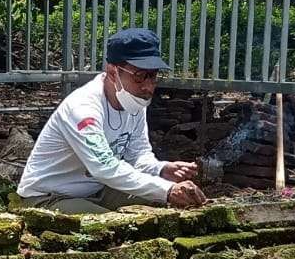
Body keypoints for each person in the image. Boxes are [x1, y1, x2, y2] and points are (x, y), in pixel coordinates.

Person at [17, 28, 205, 213]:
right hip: (48, 196)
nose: (148, 87)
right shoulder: (83, 109)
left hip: (100, 189)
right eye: (140, 76)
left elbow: (138, 156)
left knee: (164, 208)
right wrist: (167, 189)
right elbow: (105, 168)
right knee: (112, 227)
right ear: (113, 72)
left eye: (153, 76)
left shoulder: (134, 103)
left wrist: (162, 169)